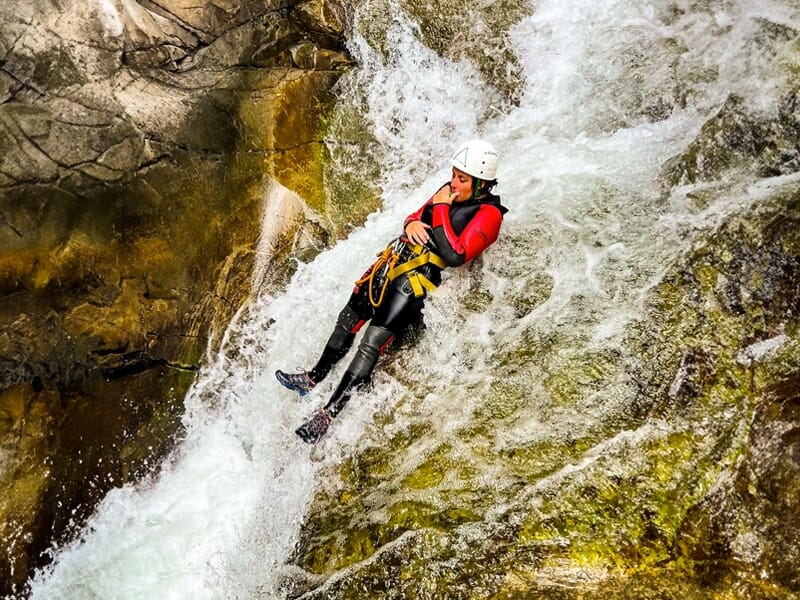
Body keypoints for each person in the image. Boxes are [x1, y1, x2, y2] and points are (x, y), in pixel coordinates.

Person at [276, 139, 508, 443]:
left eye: (462, 179)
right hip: (393, 262)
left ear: (481, 184)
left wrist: (440, 207)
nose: (453, 183)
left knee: (371, 342)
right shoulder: (447, 191)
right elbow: (415, 215)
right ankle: (312, 377)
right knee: (348, 318)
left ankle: (328, 415)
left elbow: (456, 255)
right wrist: (410, 224)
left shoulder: (490, 215)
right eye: (453, 175)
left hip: (416, 282)